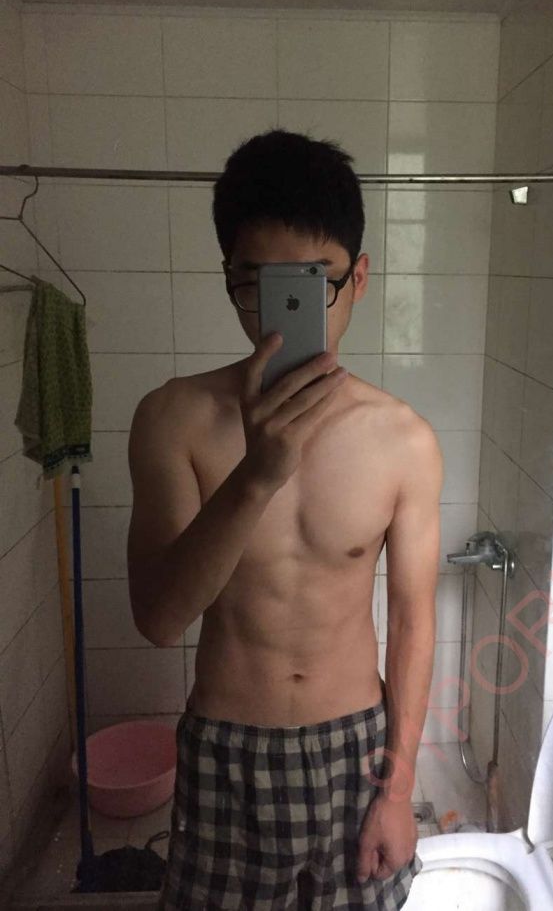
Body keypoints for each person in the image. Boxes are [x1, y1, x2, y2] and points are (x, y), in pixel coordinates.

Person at [127, 129, 443, 910]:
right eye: (257, 285)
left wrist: (398, 789)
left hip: (356, 745)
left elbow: (413, 622)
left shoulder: (404, 440)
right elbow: (160, 619)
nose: (284, 310)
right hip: (227, 748)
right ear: (229, 280)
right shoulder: (173, 418)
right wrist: (256, 475)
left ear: (358, 277)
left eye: (312, 283)